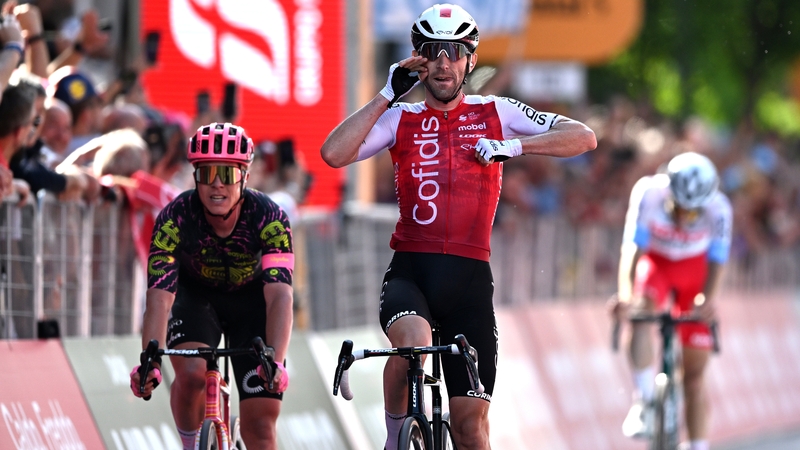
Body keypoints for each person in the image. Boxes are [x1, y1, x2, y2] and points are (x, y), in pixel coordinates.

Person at [319, 4, 596, 449]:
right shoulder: (399, 117)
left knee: (470, 429)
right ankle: (395, 440)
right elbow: (333, 154)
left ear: (470, 60)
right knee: (412, 344)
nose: (443, 62)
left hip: (470, 284)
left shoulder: (496, 110)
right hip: (412, 273)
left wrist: (514, 147)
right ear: (418, 59)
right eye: (433, 51)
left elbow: (584, 136)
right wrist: (385, 94)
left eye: (454, 51)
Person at [129, 122, 295, 450]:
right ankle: (192, 445)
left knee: (261, 426)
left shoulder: (269, 217)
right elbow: (159, 298)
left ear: (244, 177)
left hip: (254, 303)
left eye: (227, 174)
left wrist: (275, 359)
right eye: (207, 174)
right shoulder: (174, 217)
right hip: (196, 299)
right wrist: (151, 361)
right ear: (195, 178)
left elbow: (279, 295)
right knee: (191, 374)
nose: (217, 185)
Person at [609, 152, 732, 450]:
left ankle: (697, 445)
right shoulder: (649, 192)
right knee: (640, 309)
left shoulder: (719, 208)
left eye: (692, 214)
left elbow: (718, 261)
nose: (683, 218)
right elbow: (631, 250)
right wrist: (626, 295)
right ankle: (645, 402)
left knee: (694, 378)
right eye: (678, 208)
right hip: (658, 265)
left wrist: (709, 299)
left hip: (694, 271)